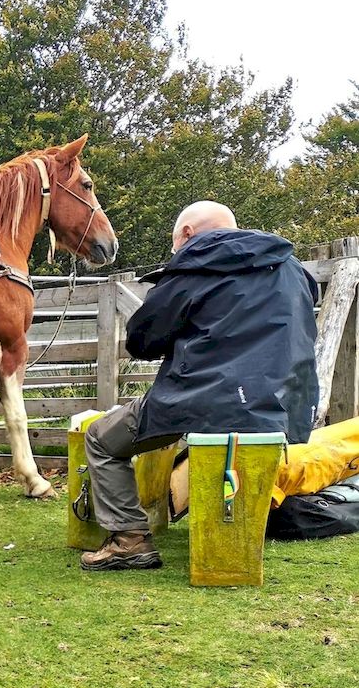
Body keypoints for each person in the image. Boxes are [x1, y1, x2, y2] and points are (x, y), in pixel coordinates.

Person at [80, 201, 320, 570]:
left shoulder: (195, 264)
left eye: (176, 242)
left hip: (200, 397)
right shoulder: (291, 268)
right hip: (279, 404)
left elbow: (142, 340)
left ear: (187, 234)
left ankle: (129, 539)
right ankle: (233, 539)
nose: (177, 250)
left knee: (101, 438)